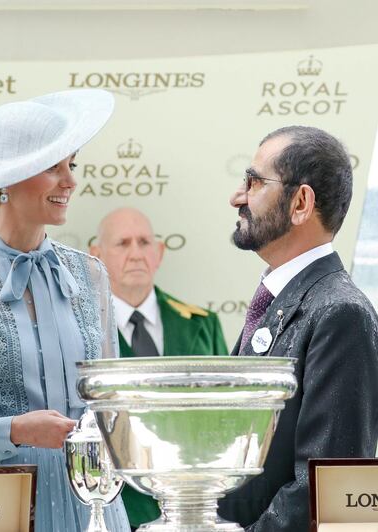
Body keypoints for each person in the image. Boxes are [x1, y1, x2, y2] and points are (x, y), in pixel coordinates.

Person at [0, 90, 129, 532]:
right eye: (53, 167)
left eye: (72, 164)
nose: (70, 181)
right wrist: (12, 429)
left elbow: (115, 401)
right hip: (3, 504)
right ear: (5, 179)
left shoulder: (90, 273)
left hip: (97, 500)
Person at [217, 126, 378, 531]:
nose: (237, 196)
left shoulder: (340, 314)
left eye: (254, 181)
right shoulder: (286, 300)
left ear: (300, 202)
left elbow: (322, 489)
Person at [90, 206, 228, 528]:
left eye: (144, 242)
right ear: (96, 255)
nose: (136, 253)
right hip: (114, 511)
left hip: (194, 511)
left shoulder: (203, 326)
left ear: (160, 252)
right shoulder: (83, 333)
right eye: (122, 243)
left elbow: (223, 419)